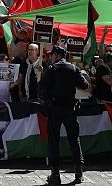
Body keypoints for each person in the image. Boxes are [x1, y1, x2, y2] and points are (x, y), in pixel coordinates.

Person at [40, 45, 89, 185]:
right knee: (74, 139)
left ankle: (55, 174)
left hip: (54, 108)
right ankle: (79, 173)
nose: (50, 57)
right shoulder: (73, 68)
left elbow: (42, 88)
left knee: (54, 140)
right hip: (70, 108)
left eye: (51, 55)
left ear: (56, 55)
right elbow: (84, 85)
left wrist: (47, 98)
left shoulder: (51, 69)